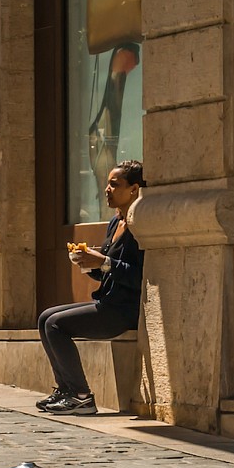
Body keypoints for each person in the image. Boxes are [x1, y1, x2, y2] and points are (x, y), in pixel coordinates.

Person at [36, 162, 145, 416]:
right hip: (107, 302)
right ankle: (66, 390)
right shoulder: (115, 222)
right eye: (107, 184)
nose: (107, 189)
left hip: (124, 310)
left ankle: (81, 396)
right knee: (45, 318)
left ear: (134, 189)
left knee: (55, 324)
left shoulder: (140, 225)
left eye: (114, 184)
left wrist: (104, 262)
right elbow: (106, 269)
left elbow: (140, 276)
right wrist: (87, 263)